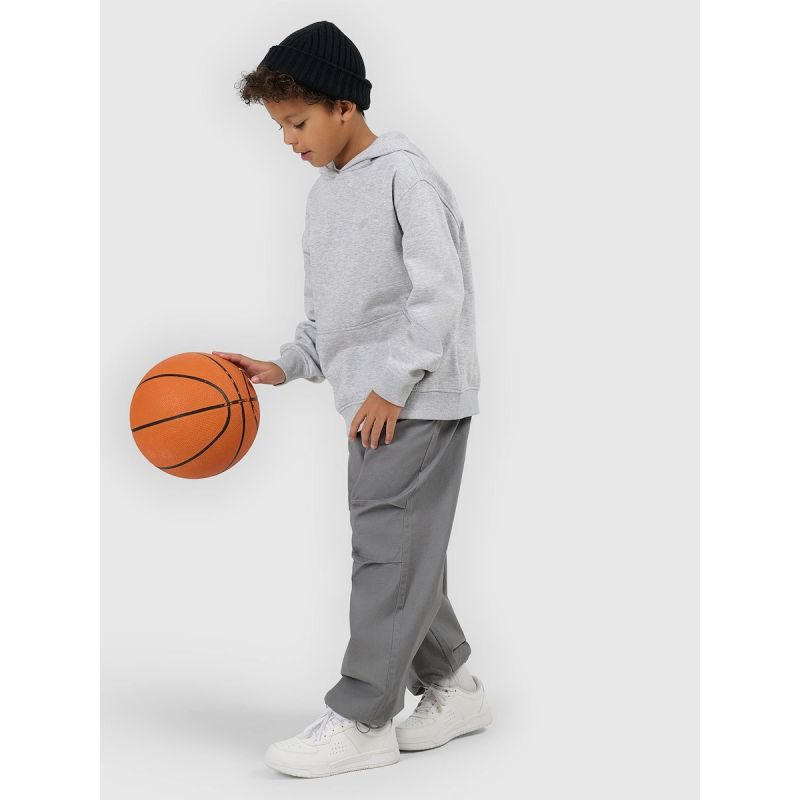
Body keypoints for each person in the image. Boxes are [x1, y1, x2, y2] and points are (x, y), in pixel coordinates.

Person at [213, 19, 491, 779]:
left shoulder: (406, 177)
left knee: (385, 552)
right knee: (403, 548)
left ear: (344, 105)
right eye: (279, 126)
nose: (288, 140)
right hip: (374, 403)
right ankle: (455, 685)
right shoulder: (325, 196)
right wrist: (284, 365)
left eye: (297, 122)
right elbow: (331, 316)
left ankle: (365, 716)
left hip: (415, 399)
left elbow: (439, 295)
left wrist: (392, 386)